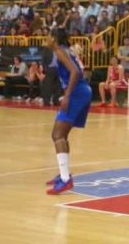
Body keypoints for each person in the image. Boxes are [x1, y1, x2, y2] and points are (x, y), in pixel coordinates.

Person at [45, 28, 93, 195]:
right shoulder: (66, 50)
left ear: (55, 39)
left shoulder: (60, 51)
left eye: (49, 36)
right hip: (83, 91)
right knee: (61, 135)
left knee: (57, 135)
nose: (46, 38)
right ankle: (64, 174)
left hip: (77, 93)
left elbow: (75, 72)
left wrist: (66, 96)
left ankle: (66, 180)